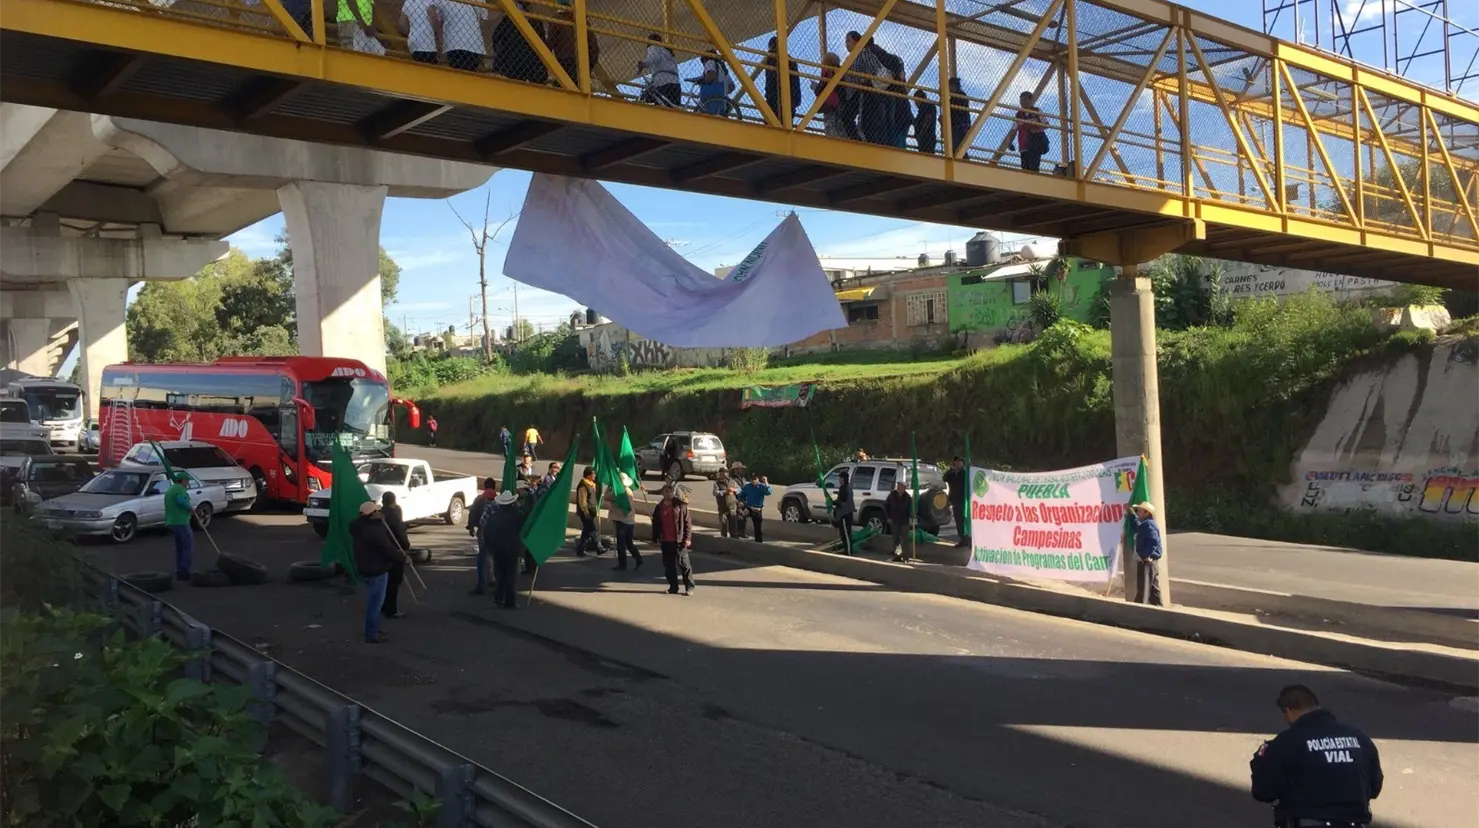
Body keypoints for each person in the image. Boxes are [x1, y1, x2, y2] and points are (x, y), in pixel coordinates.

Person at [1251, 685, 1383, 828]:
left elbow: (1263, 791)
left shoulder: (1287, 742)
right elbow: (1374, 786)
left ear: (1288, 710)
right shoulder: (1359, 738)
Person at [349, 501, 407, 644]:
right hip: (376, 569)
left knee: (374, 602)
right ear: (372, 513)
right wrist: (402, 557)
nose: (381, 513)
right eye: (378, 511)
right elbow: (387, 548)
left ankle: (375, 628)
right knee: (375, 604)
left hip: (365, 567)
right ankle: (371, 634)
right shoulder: (375, 530)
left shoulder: (359, 527)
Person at [483, 488, 527, 609]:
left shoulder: (494, 516)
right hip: (512, 550)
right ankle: (510, 601)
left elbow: (487, 533)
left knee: (500, 575)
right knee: (511, 576)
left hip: (497, 550)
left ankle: (498, 598)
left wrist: (491, 548)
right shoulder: (518, 515)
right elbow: (524, 529)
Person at [650, 484, 694, 595]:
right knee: (669, 566)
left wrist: (687, 538)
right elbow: (655, 524)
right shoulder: (659, 507)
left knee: (684, 564)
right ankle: (673, 587)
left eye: (670, 491)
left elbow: (687, 522)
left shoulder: (680, 505)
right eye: (665, 491)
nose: (668, 493)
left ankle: (689, 587)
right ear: (662, 493)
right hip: (665, 540)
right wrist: (655, 539)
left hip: (679, 540)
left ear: (673, 492)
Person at [490, 1, 547, 83]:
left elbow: (496, 37)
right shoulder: (535, 21)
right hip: (530, 64)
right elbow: (543, 44)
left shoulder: (508, 20)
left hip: (510, 63)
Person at [379, 491, 410, 620]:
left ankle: (383, 605)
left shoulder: (379, 514)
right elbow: (400, 533)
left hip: (382, 551)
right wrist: (406, 545)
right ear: (393, 501)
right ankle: (391, 610)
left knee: (385, 581)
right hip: (395, 550)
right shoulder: (394, 515)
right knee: (394, 581)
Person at [1128, 501, 1164, 606]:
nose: (1138, 512)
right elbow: (1138, 527)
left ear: (1147, 513)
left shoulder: (1148, 524)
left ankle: (1138, 611)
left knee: (1144, 589)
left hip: (1147, 561)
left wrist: (1149, 555)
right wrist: (1132, 515)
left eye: (1140, 511)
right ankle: (1159, 610)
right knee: (1153, 590)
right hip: (1148, 561)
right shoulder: (1145, 524)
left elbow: (1154, 541)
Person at [467, 477, 498, 595]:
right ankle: (493, 578)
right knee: (493, 556)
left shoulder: (479, 498)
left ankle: (482, 584)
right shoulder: (498, 499)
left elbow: (472, 513)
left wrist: (470, 527)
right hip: (496, 532)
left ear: (485, 486)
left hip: (483, 532)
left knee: (482, 558)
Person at [606, 473, 642, 571]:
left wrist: (609, 486)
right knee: (629, 543)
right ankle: (638, 558)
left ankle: (622, 565)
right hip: (630, 520)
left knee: (621, 544)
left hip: (621, 520)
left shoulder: (617, 492)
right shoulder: (629, 491)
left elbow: (606, 497)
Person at [164, 470, 195, 581]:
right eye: (187, 481)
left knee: (180, 547)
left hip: (171, 521)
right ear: (182, 480)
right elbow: (181, 501)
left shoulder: (170, 489)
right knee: (188, 546)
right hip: (181, 521)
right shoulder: (180, 489)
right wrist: (190, 508)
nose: (187, 483)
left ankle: (179, 569)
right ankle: (183, 571)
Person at [763, 36, 801, 126]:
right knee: (786, 124)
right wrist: (796, 99)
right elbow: (795, 81)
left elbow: (770, 79)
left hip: (775, 96)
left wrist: (768, 95)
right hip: (790, 97)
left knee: (771, 124)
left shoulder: (771, 58)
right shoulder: (790, 60)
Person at [1009, 90, 1048, 172]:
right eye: (1021, 100)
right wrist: (1010, 142)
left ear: (1030, 100)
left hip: (1035, 144)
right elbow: (1014, 130)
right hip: (1023, 145)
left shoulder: (1037, 111)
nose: (1022, 102)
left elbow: (1046, 124)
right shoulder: (1019, 114)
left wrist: (1037, 130)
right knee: (1025, 167)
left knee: (1033, 167)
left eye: (1024, 99)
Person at [638, 33, 681, 108]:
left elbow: (654, 58)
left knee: (658, 106)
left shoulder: (654, 47)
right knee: (673, 109)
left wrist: (643, 64)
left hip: (662, 83)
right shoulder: (668, 53)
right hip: (675, 84)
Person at [691, 49, 733, 116]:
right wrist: (724, 92)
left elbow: (711, 75)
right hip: (721, 99)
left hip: (710, 97)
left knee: (702, 115)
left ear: (704, 59)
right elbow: (731, 86)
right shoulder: (722, 68)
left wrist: (703, 81)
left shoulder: (709, 62)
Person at [814, 53, 846, 137]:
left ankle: (831, 137)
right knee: (840, 124)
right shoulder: (840, 70)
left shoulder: (827, 70)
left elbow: (821, 87)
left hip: (830, 102)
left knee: (830, 123)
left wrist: (815, 88)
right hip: (840, 101)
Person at [574, 467, 602, 557]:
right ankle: (599, 547)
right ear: (589, 475)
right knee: (592, 530)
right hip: (586, 512)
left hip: (591, 511)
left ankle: (580, 549)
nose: (595, 476)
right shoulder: (583, 485)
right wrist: (586, 513)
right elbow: (582, 501)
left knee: (586, 532)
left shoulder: (591, 484)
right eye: (593, 474)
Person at [828, 469, 856, 556]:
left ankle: (848, 552)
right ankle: (847, 550)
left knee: (846, 535)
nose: (838, 480)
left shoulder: (845, 489)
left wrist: (833, 502)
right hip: (845, 514)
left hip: (845, 515)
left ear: (843, 479)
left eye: (839, 478)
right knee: (844, 534)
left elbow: (843, 503)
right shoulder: (845, 488)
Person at [884, 480, 913, 562]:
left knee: (905, 540)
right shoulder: (892, 495)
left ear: (904, 488)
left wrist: (912, 517)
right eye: (898, 485)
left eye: (901, 486)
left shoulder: (908, 497)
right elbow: (886, 506)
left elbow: (911, 510)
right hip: (894, 520)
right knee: (896, 540)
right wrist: (888, 518)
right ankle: (897, 556)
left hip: (904, 521)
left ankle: (906, 557)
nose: (899, 487)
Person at [738, 473, 772, 542]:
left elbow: (769, 492)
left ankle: (758, 541)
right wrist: (741, 501)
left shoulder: (761, 487)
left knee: (757, 527)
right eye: (752, 479)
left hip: (757, 509)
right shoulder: (748, 487)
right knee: (740, 515)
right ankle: (740, 532)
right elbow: (741, 495)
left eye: (755, 479)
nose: (753, 481)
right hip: (749, 507)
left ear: (758, 479)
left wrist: (766, 482)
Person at [943, 457, 968, 548]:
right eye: (955, 462)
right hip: (955, 500)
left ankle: (967, 539)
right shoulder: (952, 474)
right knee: (958, 521)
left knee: (964, 520)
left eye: (959, 462)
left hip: (963, 500)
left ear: (962, 464)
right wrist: (951, 470)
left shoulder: (964, 473)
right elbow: (944, 478)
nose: (957, 464)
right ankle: (962, 539)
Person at [712, 468, 739, 538]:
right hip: (722, 506)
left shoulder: (732, 481)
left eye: (727, 472)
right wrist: (725, 492)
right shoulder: (716, 483)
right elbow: (715, 493)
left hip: (732, 506)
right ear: (720, 473)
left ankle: (734, 537)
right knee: (723, 524)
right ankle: (724, 539)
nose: (726, 474)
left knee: (733, 524)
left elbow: (740, 490)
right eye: (724, 472)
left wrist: (734, 490)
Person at [948, 77, 971, 157]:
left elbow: (955, 109)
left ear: (954, 86)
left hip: (960, 126)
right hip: (958, 126)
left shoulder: (960, 96)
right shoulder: (954, 98)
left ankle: (964, 161)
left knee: (957, 147)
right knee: (956, 147)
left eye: (949, 86)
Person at [913, 88, 937, 154]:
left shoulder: (927, 105)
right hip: (925, 138)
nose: (915, 104)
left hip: (926, 138)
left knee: (926, 156)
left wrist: (921, 133)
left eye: (915, 101)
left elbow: (928, 118)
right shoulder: (924, 107)